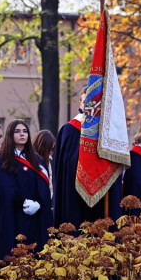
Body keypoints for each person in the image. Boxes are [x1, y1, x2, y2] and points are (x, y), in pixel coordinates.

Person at [0, 120, 53, 261]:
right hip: (13, 214)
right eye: (17, 131)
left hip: (35, 215)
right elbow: (3, 187)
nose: (22, 134)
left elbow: (44, 187)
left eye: (25, 131)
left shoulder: (38, 161)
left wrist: (39, 204)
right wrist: (22, 202)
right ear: (10, 135)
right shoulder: (2, 160)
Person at [53, 86, 87, 227]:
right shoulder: (70, 129)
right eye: (86, 102)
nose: (90, 105)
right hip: (73, 189)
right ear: (80, 103)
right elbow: (64, 165)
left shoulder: (105, 131)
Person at [32, 129, 56, 195]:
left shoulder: (47, 161)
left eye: (52, 149)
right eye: (49, 149)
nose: (51, 152)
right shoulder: (30, 160)